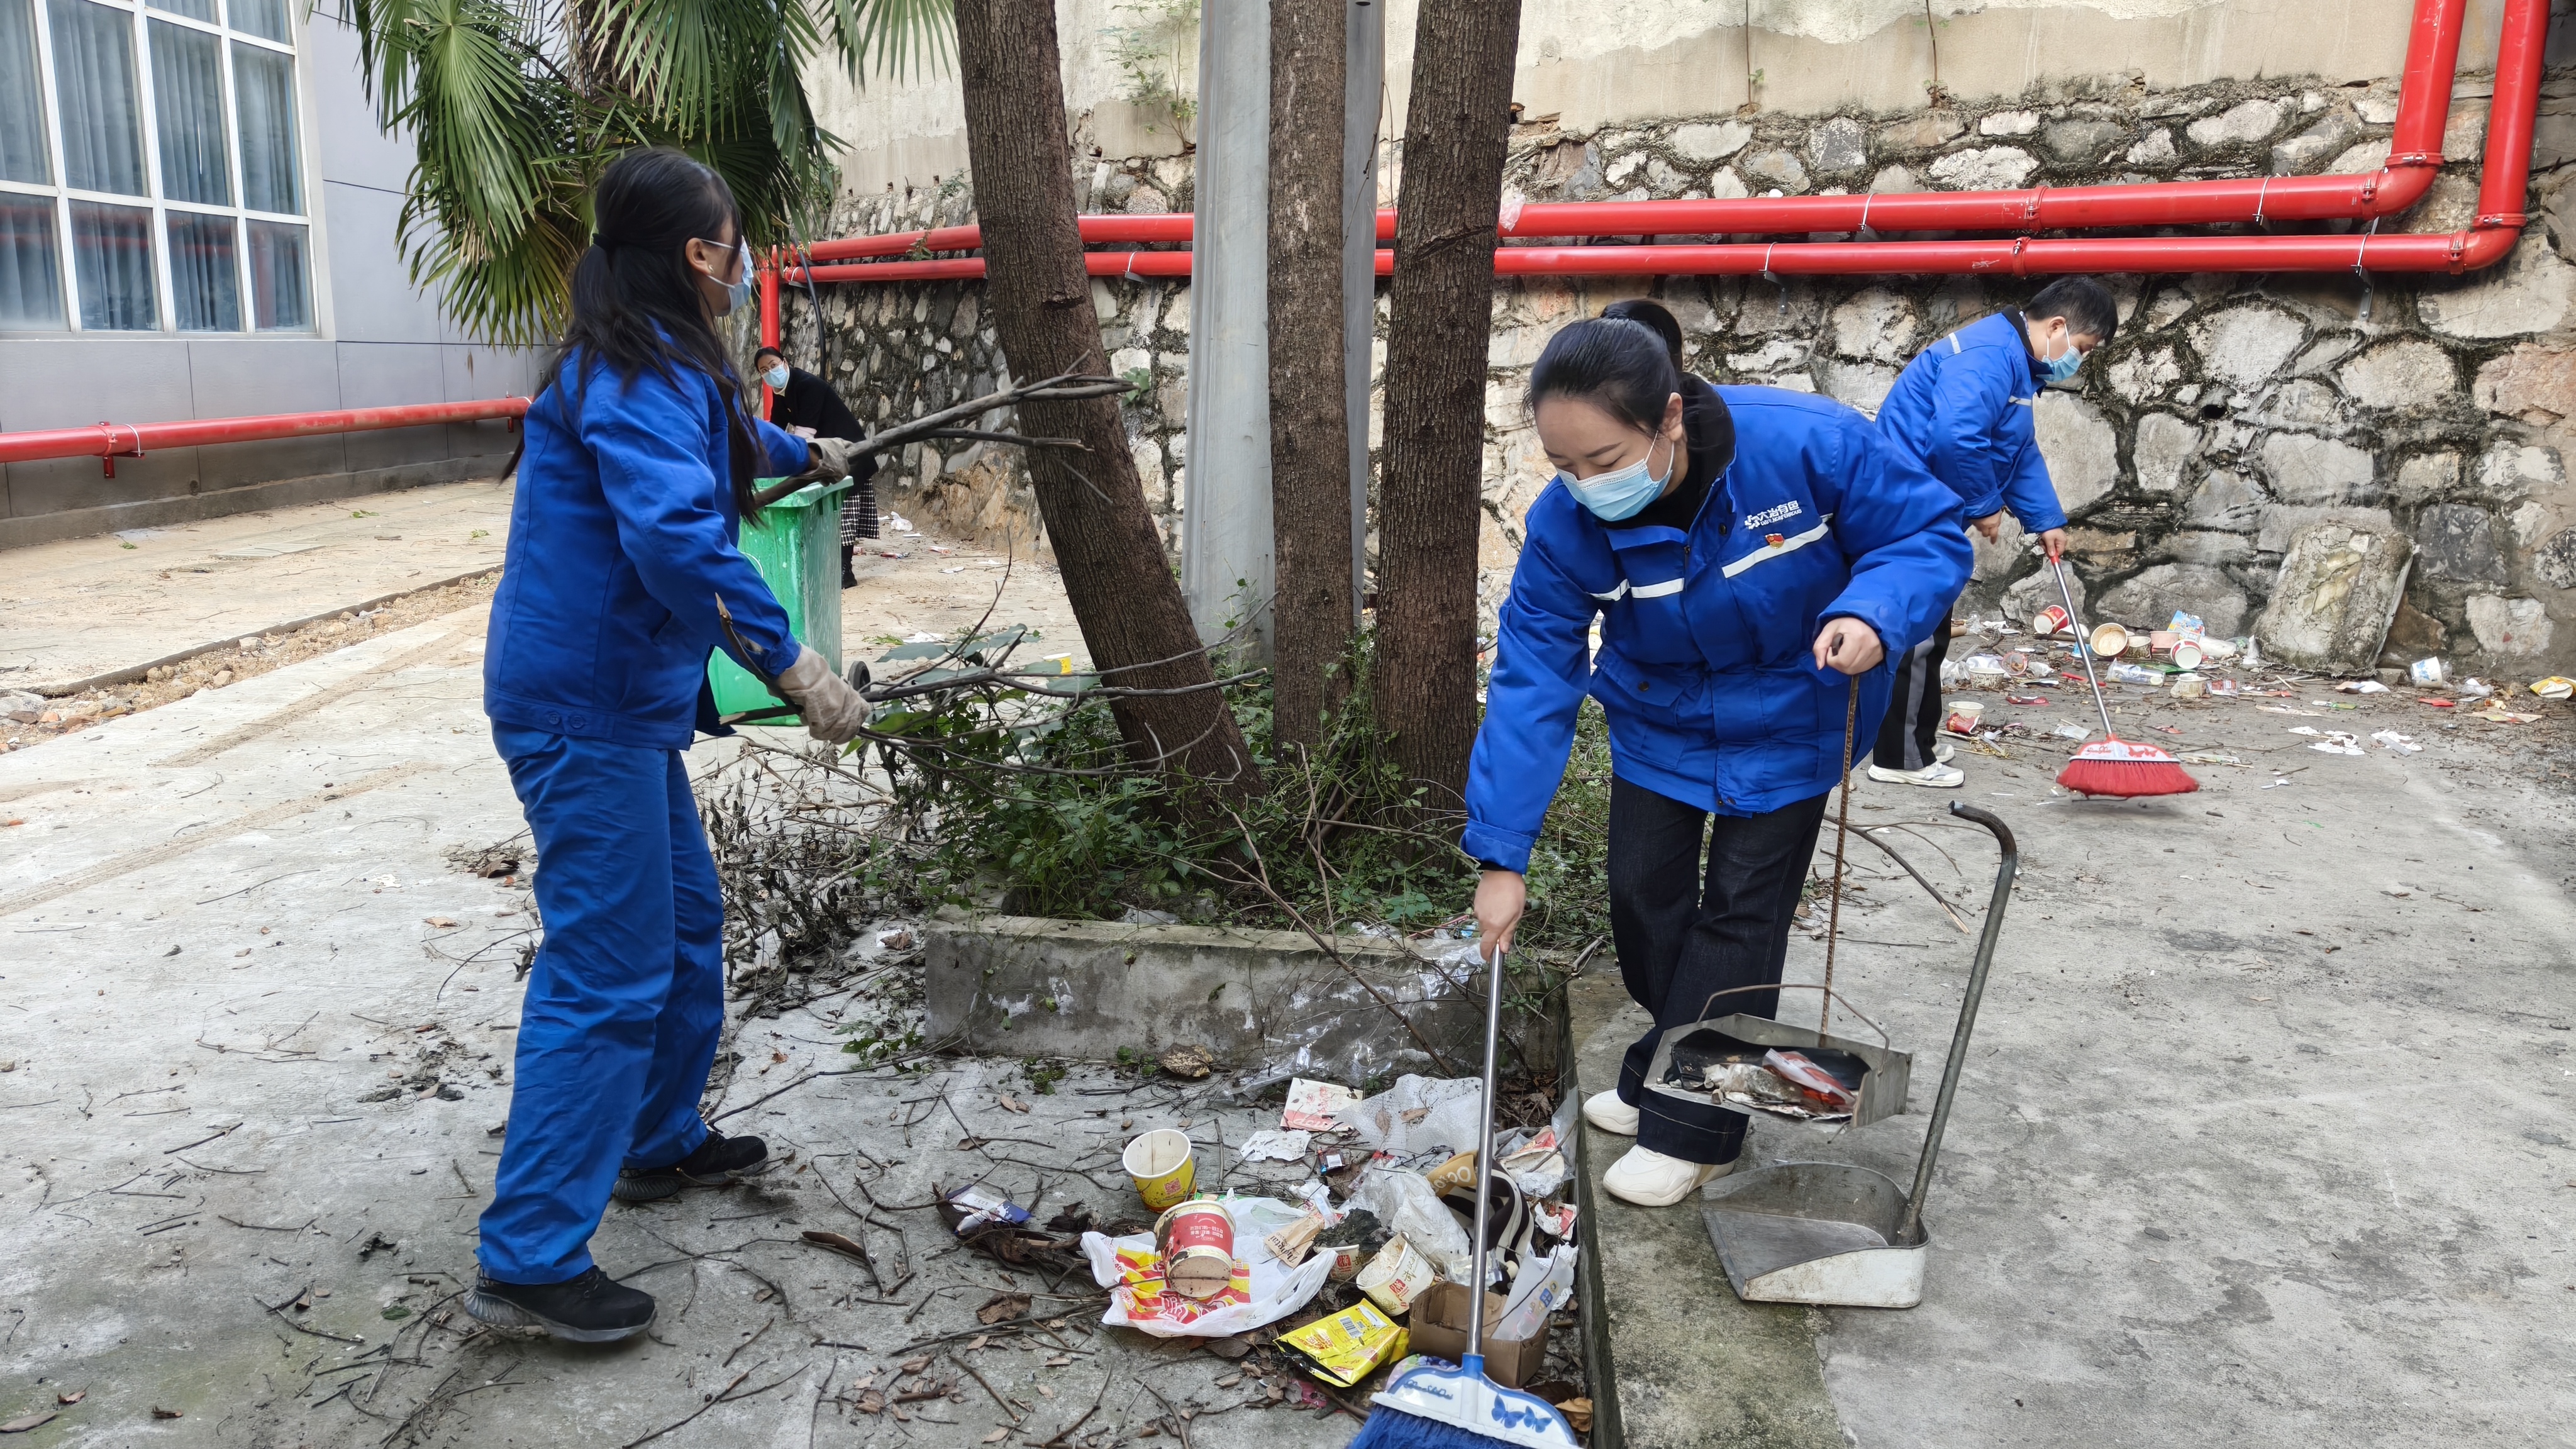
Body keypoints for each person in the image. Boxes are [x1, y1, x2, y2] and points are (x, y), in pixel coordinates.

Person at [467, 147, 870, 1343]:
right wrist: (789, 662)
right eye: (735, 248)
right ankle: (530, 1253)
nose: (742, 267)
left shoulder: (658, 354)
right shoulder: (636, 367)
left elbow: (722, 439)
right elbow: (676, 539)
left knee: (686, 924)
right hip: (579, 710)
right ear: (699, 253)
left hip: (623, 706)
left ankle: (655, 1135)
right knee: (607, 967)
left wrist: (806, 451)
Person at [1466, 302, 1971, 1208]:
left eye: (1605, 461)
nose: (1586, 486)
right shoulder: (1564, 525)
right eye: (1563, 466)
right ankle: (1675, 1062)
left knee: (1741, 915)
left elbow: (1923, 535)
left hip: (1798, 709)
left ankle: (1693, 1132)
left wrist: (1873, 612)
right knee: (1641, 897)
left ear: (1668, 415)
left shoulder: (1804, 445)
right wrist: (1503, 855)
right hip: (1660, 716)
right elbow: (1531, 680)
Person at [1866, 277, 2118, 789]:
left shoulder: (2015, 362)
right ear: (2058, 326)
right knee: (1919, 635)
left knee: (1929, 631)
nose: (2081, 359)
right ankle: (1900, 759)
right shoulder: (1988, 356)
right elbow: (1956, 436)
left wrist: (2046, 520)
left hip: (1927, 506)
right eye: (2084, 347)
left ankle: (1912, 744)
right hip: (1907, 507)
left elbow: (2016, 451)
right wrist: (1984, 505)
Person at [753, 343, 880, 589]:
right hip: (824, 456)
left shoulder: (808, 385)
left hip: (848, 453)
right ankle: (831, 567)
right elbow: (774, 432)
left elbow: (804, 435)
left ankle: (845, 571)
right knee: (828, 513)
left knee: (843, 514)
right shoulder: (782, 393)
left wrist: (784, 460)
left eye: (773, 365)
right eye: (764, 370)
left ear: (785, 362)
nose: (770, 372)